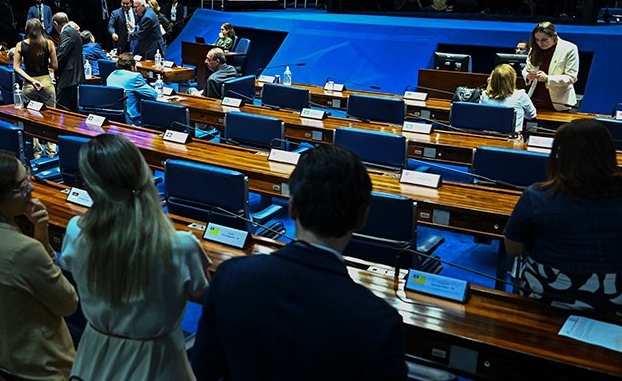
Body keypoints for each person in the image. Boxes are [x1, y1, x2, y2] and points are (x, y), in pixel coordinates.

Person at [191, 144, 408, 380]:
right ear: (361, 219)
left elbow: (203, 372)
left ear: (292, 207)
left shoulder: (229, 277)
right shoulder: (380, 323)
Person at [61, 133, 210, 380]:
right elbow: (203, 294)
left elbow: (68, 266)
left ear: (90, 186)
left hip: (95, 358)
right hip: (158, 363)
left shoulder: (75, 230)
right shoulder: (180, 245)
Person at [504, 119, 622, 315]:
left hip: (544, 299)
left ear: (560, 155)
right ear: (609, 153)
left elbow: (513, 247)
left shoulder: (536, 196)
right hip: (612, 301)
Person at [0, 150, 78, 380]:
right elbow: (67, 303)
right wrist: (39, 245)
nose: (30, 189)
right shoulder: (23, 250)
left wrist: (41, 232)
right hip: (36, 368)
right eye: (21, 185)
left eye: (28, 178)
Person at [14, 18, 58, 158]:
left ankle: (37, 151)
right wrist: (47, 60)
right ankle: (51, 150)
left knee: (32, 119)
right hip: (46, 82)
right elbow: (55, 66)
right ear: (41, 29)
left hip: (29, 85)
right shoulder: (49, 43)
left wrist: (32, 80)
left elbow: (16, 67)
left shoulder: (20, 45)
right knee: (51, 117)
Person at [523, 21, 578, 111]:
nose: (540, 43)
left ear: (554, 36)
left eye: (544, 40)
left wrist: (548, 78)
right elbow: (526, 69)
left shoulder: (569, 48)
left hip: (559, 103)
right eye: (537, 40)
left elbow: (571, 77)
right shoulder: (534, 49)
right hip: (535, 99)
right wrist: (528, 75)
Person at [480, 64, 536, 136]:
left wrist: (489, 85)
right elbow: (531, 115)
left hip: (488, 137)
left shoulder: (484, 96)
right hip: (512, 139)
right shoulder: (521, 95)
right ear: (513, 79)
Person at [105, 52, 157, 125]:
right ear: (132, 66)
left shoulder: (111, 75)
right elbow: (153, 95)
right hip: (131, 119)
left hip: (114, 116)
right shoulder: (134, 77)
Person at [53, 12, 82, 112]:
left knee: (61, 109)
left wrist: (56, 71)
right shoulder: (74, 31)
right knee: (72, 110)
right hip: (75, 76)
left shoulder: (66, 32)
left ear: (56, 24)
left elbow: (62, 55)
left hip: (67, 77)